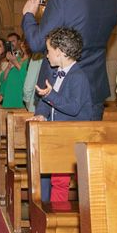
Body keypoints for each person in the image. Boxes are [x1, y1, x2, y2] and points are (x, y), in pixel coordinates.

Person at [22, 0, 117, 120]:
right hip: (95, 87)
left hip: (62, 90)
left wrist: (29, 15)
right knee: (89, 145)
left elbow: (37, 43)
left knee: (60, 146)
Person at [32, 27, 93, 201]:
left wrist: (50, 95)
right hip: (57, 134)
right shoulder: (55, 74)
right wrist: (42, 115)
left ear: (59, 53)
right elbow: (45, 100)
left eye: (49, 51)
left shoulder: (78, 76)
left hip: (71, 136)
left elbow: (73, 107)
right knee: (54, 178)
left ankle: (58, 218)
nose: (46, 55)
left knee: (59, 181)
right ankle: (48, 214)